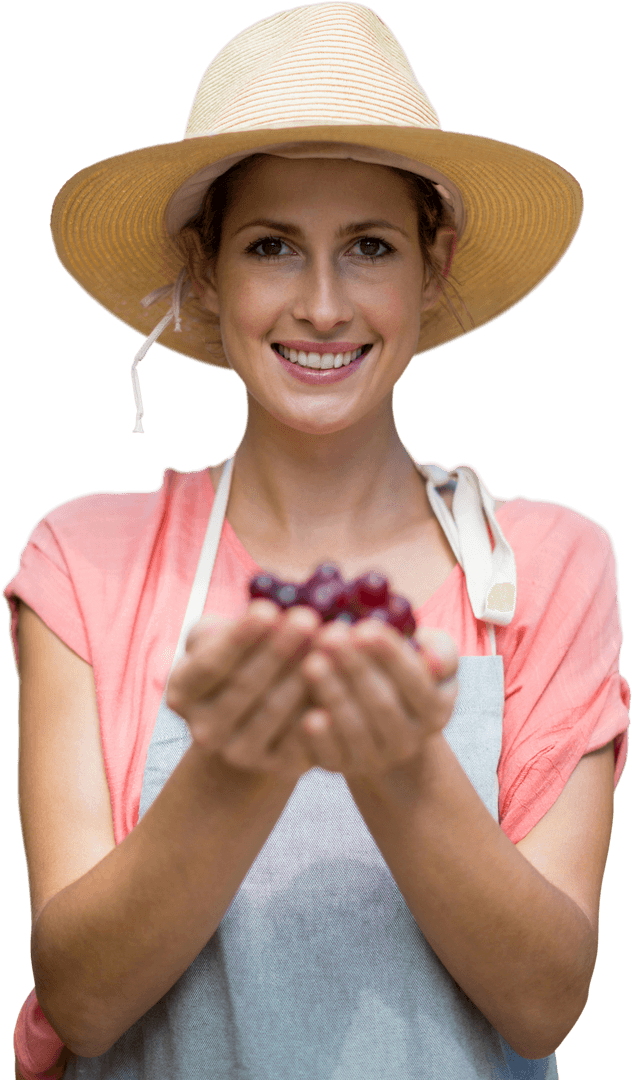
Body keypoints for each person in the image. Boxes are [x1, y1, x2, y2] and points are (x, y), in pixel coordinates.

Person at [4, 3, 630, 1078]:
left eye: (370, 248)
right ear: (206, 273)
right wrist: (238, 769)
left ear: (431, 270)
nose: (324, 305)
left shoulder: (546, 565)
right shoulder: (84, 560)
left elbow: (543, 1004)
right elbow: (84, 999)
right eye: (272, 247)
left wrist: (397, 768)